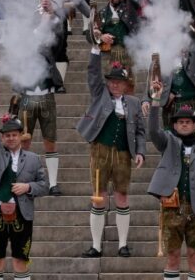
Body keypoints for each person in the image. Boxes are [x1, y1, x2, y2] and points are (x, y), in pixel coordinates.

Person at [77, 47, 146, 258]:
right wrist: (96, 49)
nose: (115, 84)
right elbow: (93, 73)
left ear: (126, 84)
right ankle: (96, 245)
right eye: (112, 81)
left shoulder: (134, 104)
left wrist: (141, 152)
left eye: (119, 81)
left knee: (122, 196)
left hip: (124, 153)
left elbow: (141, 132)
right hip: (100, 150)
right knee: (99, 197)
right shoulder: (100, 94)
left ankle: (122, 244)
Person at [146, 91, 195, 280]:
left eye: (188, 121)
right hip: (172, 207)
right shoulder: (168, 142)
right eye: (180, 121)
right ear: (174, 125)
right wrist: (155, 101)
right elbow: (153, 131)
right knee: (172, 256)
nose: (184, 124)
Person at [0, 102, 49, 280]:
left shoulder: (33, 159)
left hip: (22, 214)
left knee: (20, 261)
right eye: (7, 135)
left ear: (20, 136)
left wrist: (28, 187)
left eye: (14, 135)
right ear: (2, 138)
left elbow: (45, 185)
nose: (10, 138)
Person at [10, 0, 69, 195]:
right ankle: (22, 179)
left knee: (50, 140)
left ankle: (53, 183)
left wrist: (53, 17)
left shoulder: (51, 30)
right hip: (26, 94)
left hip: (46, 93)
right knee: (24, 140)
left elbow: (59, 41)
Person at [143, 2, 195, 128]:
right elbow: (152, 79)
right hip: (170, 105)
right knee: (169, 142)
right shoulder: (161, 57)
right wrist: (146, 99)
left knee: (191, 142)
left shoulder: (194, 54)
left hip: (191, 103)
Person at [92, 0, 141, 89]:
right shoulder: (102, 13)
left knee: (128, 86)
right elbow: (92, 34)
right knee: (109, 86)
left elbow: (138, 28)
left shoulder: (130, 10)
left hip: (127, 53)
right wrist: (102, 36)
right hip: (108, 55)